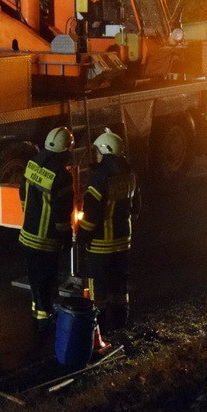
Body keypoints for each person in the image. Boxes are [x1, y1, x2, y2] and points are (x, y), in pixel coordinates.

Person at [78, 129, 139, 332]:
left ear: (106, 150)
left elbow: (91, 215)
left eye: (97, 151)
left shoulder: (98, 177)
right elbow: (136, 207)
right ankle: (121, 324)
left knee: (99, 292)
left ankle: (100, 330)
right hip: (123, 242)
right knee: (119, 287)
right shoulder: (129, 173)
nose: (96, 155)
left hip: (100, 245)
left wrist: (81, 237)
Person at [18, 126, 76, 335]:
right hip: (46, 239)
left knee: (35, 279)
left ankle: (37, 314)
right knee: (47, 280)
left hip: (28, 235)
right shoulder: (61, 176)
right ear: (65, 150)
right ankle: (44, 321)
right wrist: (66, 236)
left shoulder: (33, 163)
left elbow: (22, 192)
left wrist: (28, 213)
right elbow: (62, 214)